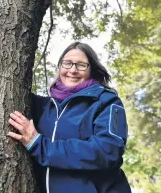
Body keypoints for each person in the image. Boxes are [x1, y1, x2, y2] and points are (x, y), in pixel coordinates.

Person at [8, 42, 132, 193]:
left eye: (81, 65)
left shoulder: (107, 102)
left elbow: (107, 151)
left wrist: (40, 146)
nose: (72, 70)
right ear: (60, 67)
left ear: (92, 69)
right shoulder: (43, 106)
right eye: (67, 63)